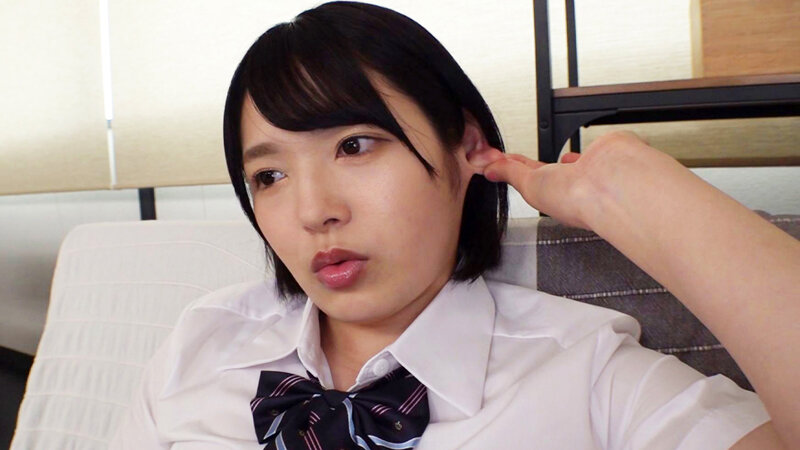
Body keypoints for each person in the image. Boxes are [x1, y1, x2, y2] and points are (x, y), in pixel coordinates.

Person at [110, 2, 799, 448]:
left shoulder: (586, 372)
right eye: (269, 176)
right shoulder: (202, 345)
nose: (314, 211)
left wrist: (646, 193)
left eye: (354, 146)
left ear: (465, 144)